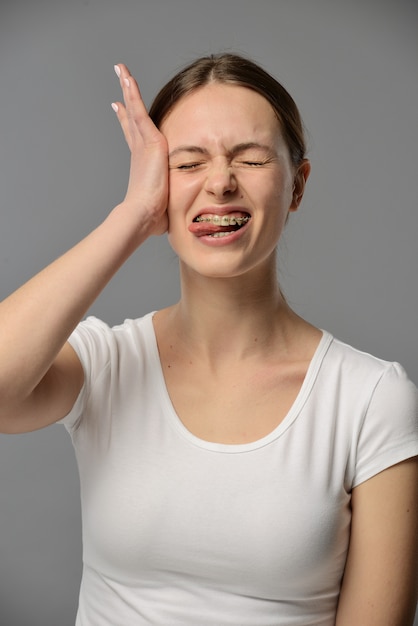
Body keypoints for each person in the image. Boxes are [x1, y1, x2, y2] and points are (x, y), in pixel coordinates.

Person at [0, 53, 417, 625]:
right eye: (187, 164)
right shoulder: (105, 363)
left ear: (297, 186)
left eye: (250, 159)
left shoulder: (372, 400)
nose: (220, 183)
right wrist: (132, 216)